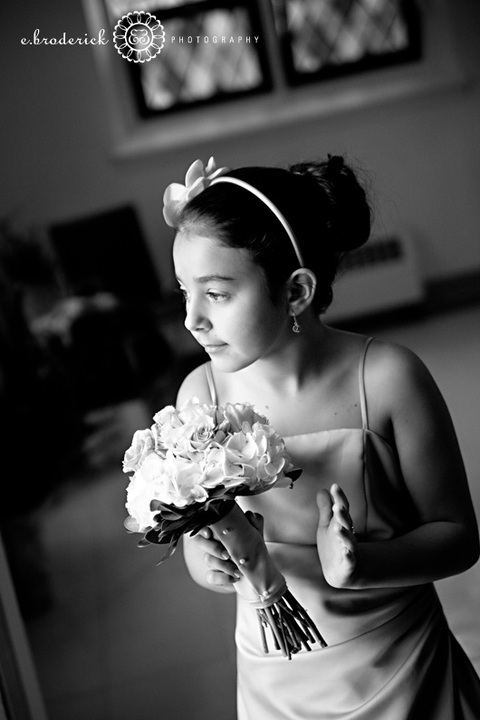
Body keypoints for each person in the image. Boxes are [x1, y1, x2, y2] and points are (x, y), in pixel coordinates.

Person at [163, 155, 480, 719]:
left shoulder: (388, 379)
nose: (191, 319)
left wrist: (364, 565)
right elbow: (205, 536)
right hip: (275, 682)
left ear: (296, 292)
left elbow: (458, 536)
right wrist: (205, 561)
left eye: (216, 293)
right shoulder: (199, 395)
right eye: (183, 290)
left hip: (401, 668)